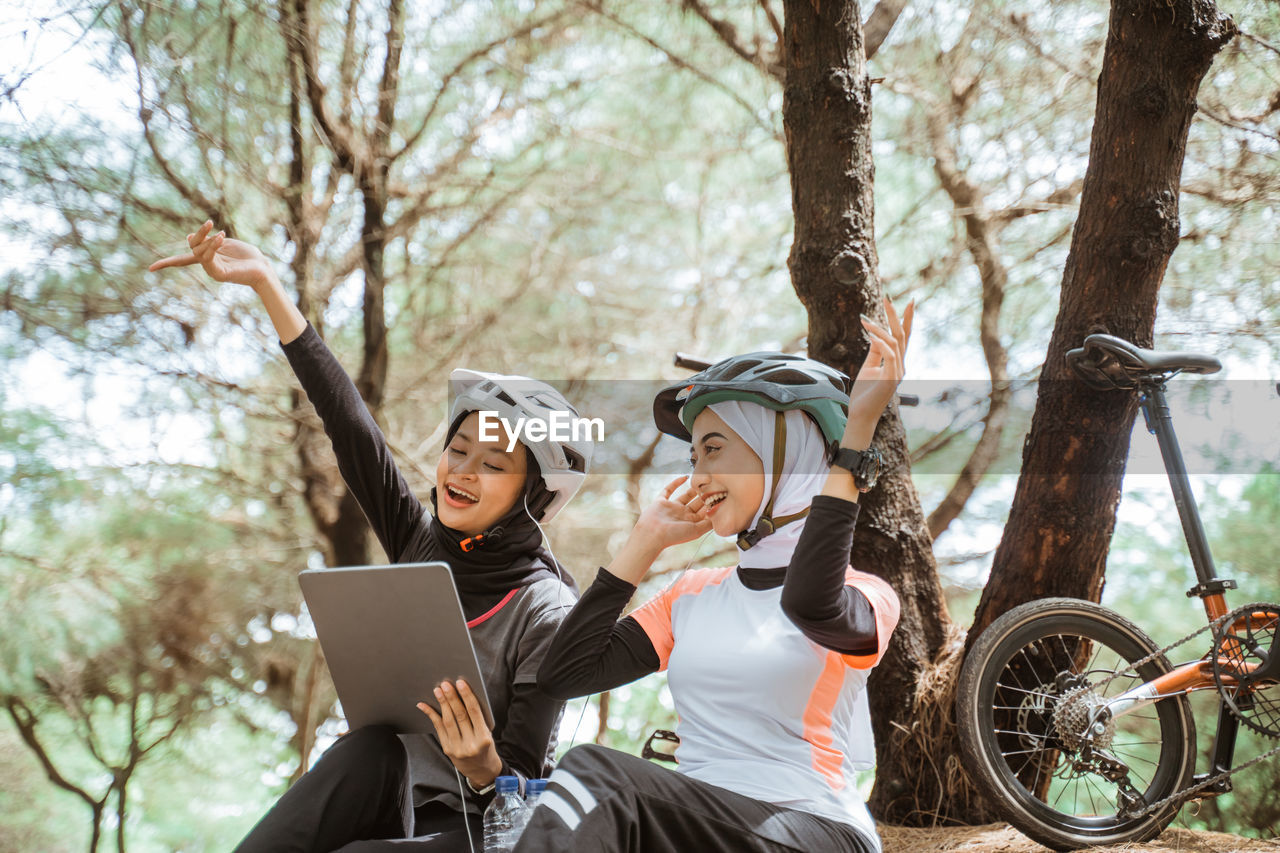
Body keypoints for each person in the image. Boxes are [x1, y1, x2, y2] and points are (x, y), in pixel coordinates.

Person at [149, 222, 592, 852]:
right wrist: (268, 286)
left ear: (533, 498)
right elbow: (352, 430)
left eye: (492, 466)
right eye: (457, 450)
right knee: (369, 749)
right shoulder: (421, 544)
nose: (461, 473)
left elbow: (521, 792)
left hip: (471, 830)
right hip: (386, 794)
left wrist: (484, 767)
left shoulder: (546, 611)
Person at [515, 299, 913, 852]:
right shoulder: (690, 597)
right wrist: (645, 542)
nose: (698, 475)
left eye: (714, 450)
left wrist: (856, 439)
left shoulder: (868, 596)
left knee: (594, 777)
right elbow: (564, 676)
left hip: (816, 828)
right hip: (699, 824)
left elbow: (810, 604)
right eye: (694, 459)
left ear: (788, 453)